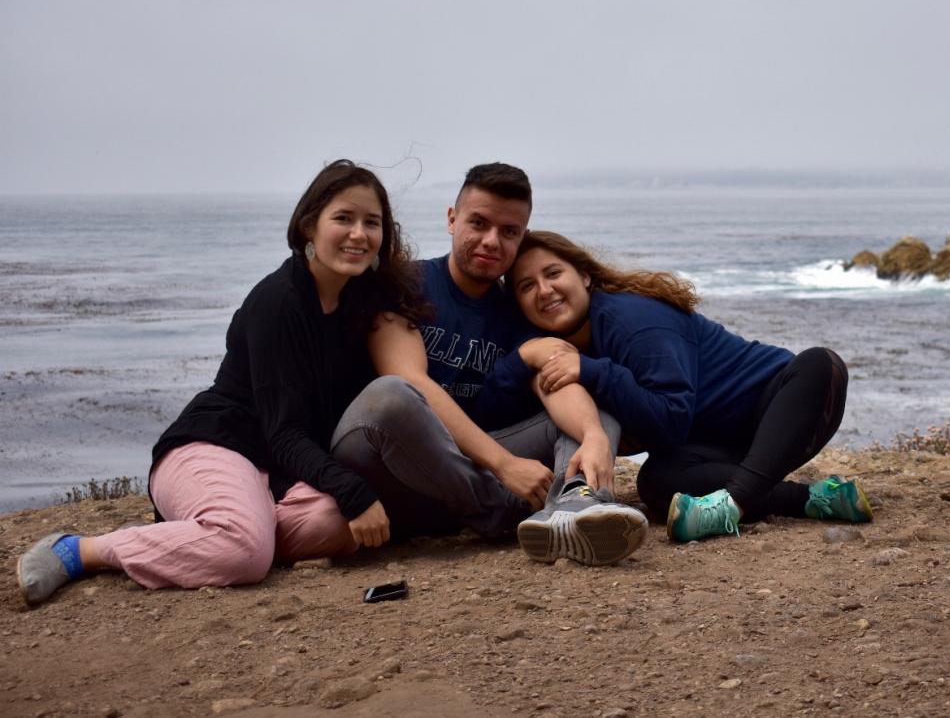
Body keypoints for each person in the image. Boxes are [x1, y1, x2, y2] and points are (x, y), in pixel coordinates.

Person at [18, 160, 432, 606]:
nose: (359, 233)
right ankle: (82, 549)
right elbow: (285, 432)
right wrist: (352, 490)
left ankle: (222, 533)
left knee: (336, 523)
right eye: (344, 218)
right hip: (212, 447)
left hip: (273, 471)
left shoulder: (359, 304)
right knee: (249, 553)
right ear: (310, 226)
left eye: (372, 223)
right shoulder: (277, 302)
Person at [476, 230, 872, 543]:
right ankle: (821, 498)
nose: (544, 290)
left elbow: (669, 421)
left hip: (782, 410)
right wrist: (523, 356)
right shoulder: (552, 348)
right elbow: (491, 412)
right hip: (720, 446)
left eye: (553, 273)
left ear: (583, 275)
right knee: (657, 482)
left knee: (821, 362)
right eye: (526, 287)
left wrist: (594, 371)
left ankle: (730, 505)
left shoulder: (633, 318)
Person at [361, 164, 648, 566]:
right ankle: (503, 512)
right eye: (478, 223)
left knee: (593, 403)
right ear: (451, 219)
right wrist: (504, 464)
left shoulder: (515, 311)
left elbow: (554, 376)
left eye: (509, 231)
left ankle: (575, 505)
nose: (491, 241)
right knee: (393, 395)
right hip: (385, 462)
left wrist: (592, 434)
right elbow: (410, 382)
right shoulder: (406, 282)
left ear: (521, 237)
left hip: (459, 475)